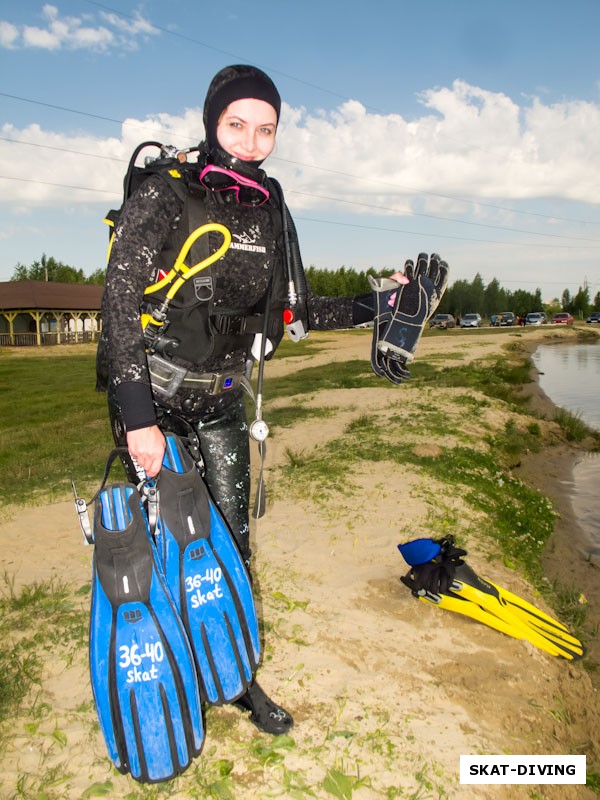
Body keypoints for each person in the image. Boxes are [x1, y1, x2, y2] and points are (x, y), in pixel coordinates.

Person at [96, 64, 443, 736]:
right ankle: (174, 680)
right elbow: (117, 302)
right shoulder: (167, 192)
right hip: (154, 402)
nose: (251, 141)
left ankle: (237, 678)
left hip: (226, 399)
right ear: (211, 122)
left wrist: (385, 301)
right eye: (236, 125)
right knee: (162, 551)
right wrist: (139, 421)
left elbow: (294, 312)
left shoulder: (269, 204)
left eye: (266, 129)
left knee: (229, 550)